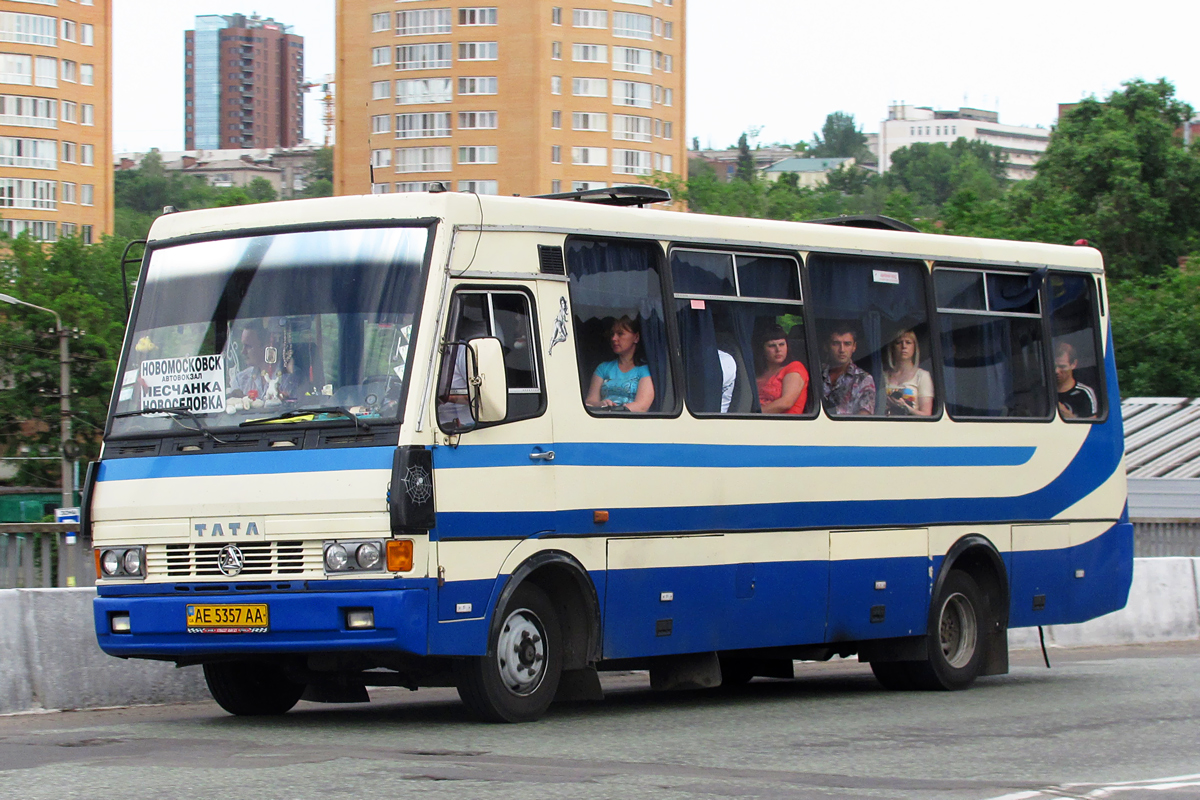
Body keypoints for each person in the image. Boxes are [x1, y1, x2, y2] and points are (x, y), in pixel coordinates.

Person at [585, 315, 655, 412]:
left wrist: (617, 410)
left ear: (636, 337)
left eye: (620, 334)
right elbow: (590, 401)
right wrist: (601, 404)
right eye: (612, 334)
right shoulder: (603, 368)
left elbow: (642, 406)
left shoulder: (645, 370)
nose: (614, 338)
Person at [821, 325, 875, 415]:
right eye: (836, 343)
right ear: (826, 346)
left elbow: (864, 419)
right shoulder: (815, 373)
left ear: (854, 347)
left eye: (847, 344)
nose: (842, 350)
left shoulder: (863, 379)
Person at [754, 324, 808, 414]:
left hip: (785, 424)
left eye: (782, 344)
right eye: (771, 346)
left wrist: (753, 414)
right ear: (762, 349)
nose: (778, 349)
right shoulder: (758, 372)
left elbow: (786, 403)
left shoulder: (794, 367)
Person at [884, 329, 934, 416]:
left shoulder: (922, 376)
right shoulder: (883, 376)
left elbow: (927, 415)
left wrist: (905, 407)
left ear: (914, 347)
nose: (904, 346)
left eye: (908, 342)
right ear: (892, 348)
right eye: (899, 342)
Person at [1055, 341, 1097, 418]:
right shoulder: (1044, 392)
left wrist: (1067, 415)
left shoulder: (1084, 393)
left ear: (1073, 364)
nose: (1056, 371)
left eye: (1062, 367)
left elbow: (1092, 425)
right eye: (1054, 366)